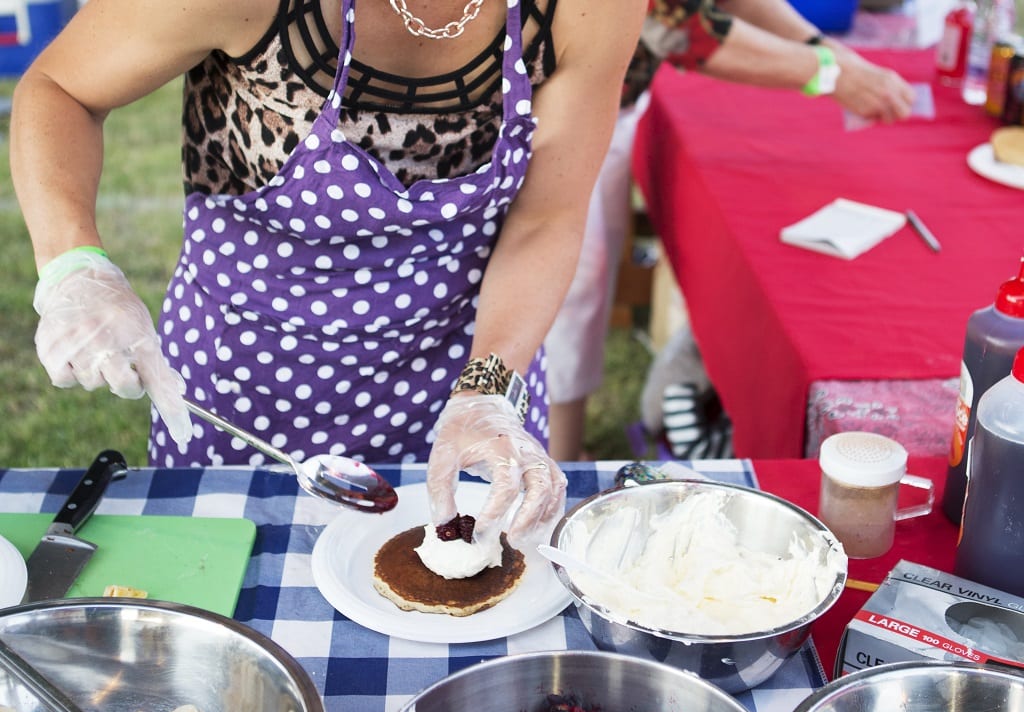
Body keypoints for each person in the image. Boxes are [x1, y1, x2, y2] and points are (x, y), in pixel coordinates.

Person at [10, 0, 646, 548]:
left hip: (471, 366)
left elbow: (548, 217)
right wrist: (75, 266)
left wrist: (486, 390)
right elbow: (62, 89)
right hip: (243, 380)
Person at [544, 0, 918, 461]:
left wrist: (821, 49)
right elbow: (679, 27)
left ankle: (560, 453)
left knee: (584, 284)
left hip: (602, 97)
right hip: (546, 107)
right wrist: (829, 70)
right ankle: (550, 465)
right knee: (564, 288)